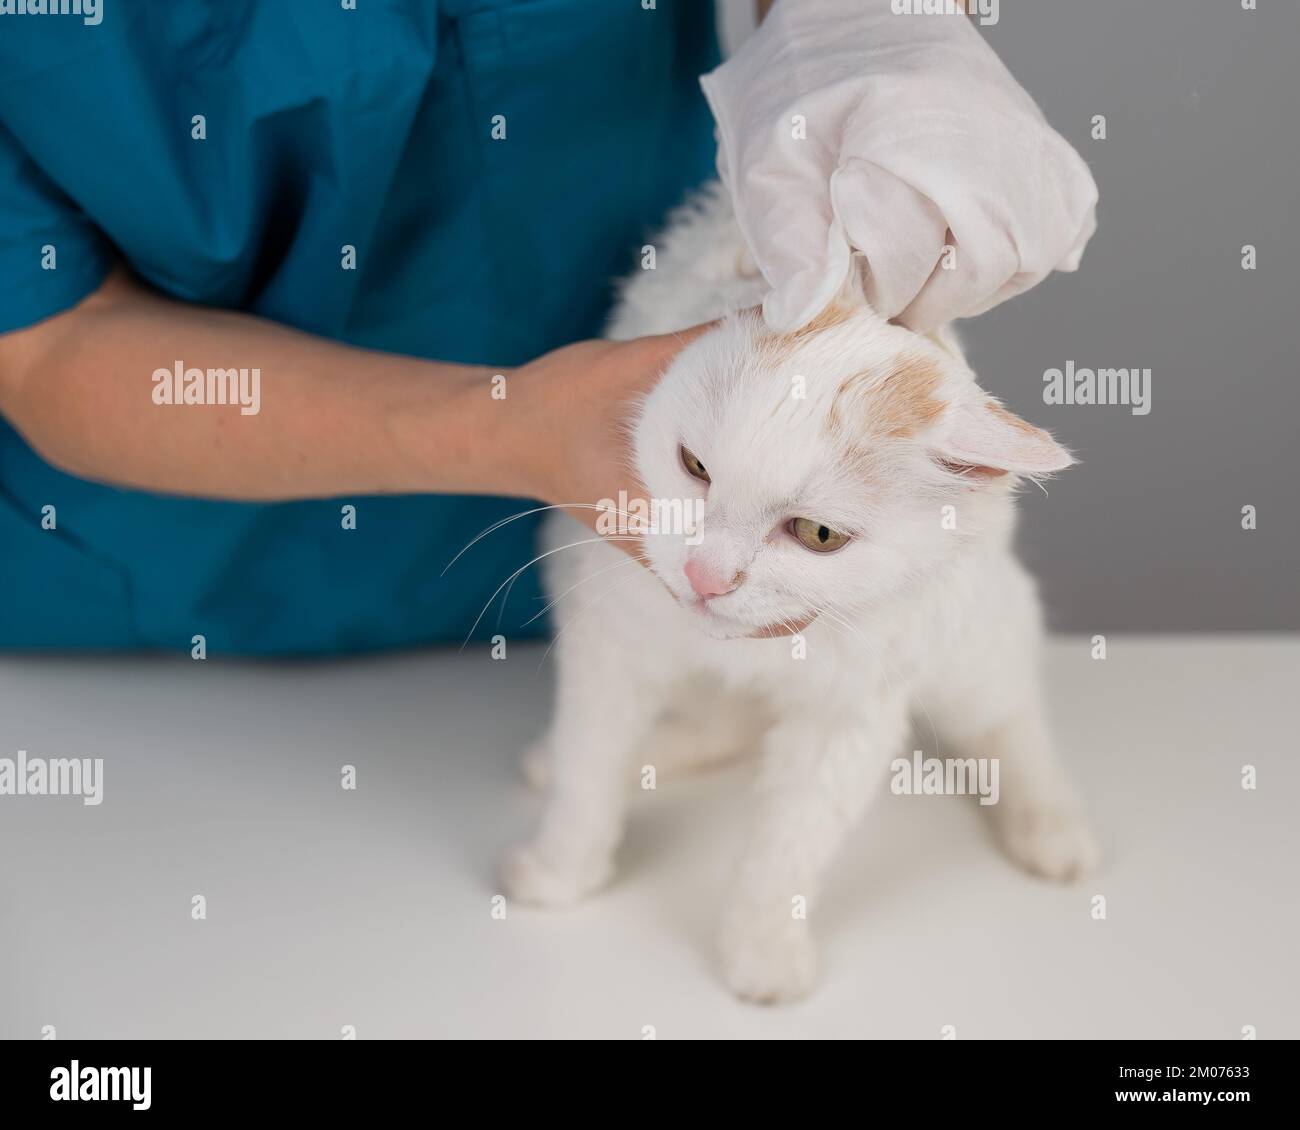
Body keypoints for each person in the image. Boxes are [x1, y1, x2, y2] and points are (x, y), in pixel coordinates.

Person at [0, 0, 1096, 654]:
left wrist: (865, 22)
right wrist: (509, 427)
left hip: (598, 558)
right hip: (160, 567)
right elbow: (46, 342)